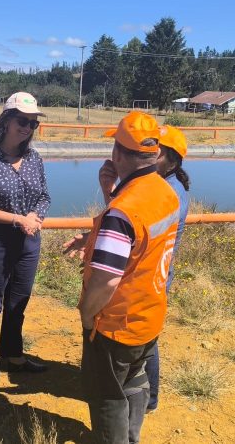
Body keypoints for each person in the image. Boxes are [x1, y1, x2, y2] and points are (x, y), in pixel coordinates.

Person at [64, 111, 180, 443]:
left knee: (106, 397)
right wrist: (111, 191)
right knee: (135, 380)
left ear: (117, 153)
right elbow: (138, 244)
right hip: (150, 314)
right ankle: (132, 437)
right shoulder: (163, 192)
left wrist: (87, 316)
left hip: (116, 323)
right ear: (155, 152)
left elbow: (106, 280)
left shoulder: (123, 211)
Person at [97, 125, 190, 415]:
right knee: (145, 336)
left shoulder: (165, 190)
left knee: (142, 337)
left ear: (168, 158)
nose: (150, 152)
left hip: (148, 274)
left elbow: (129, 227)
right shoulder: (161, 186)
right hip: (154, 270)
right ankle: (142, 396)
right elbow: (128, 231)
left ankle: (145, 399)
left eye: (155, 149)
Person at [0, 92, 51, 385]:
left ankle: (14, 354)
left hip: (28, 242)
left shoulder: (33, 159)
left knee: (19, 300)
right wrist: (19, 219)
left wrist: (35, 217)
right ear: (6, 121)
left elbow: (44, 195)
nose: (28, 128)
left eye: (33, 123)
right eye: (22, 121)